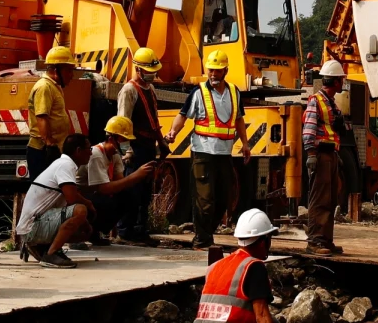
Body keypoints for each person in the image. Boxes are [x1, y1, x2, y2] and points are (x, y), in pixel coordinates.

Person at [187, 209, 306, 323]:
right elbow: (261, 316)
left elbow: (227, 307)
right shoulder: (254, 267)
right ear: (263, 240)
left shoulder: (216, 266)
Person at [166, 49, 250, 250]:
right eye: (211, 70)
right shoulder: (198, 93)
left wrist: (246, 144)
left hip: (224, 154)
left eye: (218, 71)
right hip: (202, 153)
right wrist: (172, 132)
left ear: (225, 71)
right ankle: (202, 240)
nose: (213, 74)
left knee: (223, 199)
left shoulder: (234, 92)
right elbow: (183, 115)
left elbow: (239, 119)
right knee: (204, 199)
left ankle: (206, 235)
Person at [15, 134, 94, 269]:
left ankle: (43, 248)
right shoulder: (65, 165)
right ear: (78, 150)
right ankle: (51, 254)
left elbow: (70, 196)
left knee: (84, 231)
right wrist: (88, 206)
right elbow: (72, 199)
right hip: (32, 227)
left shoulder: (63, 164)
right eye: (89, 149)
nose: (91, 153)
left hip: (34, 224)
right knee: (81, 210)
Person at [75, 116, 157, 246]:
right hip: (80, 197)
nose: (126, 143)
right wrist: (136, 175)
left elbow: (121, 185)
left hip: (95, 196)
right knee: (105, 200)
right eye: (123, 139)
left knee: (129, 197)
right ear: (111, 138)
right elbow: (103, 188)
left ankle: (96, 232)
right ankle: (80, 233)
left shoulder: (115, 156)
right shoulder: (96, 154)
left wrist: (143, 176)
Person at [116, 47, 167, 241]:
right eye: (149, 72)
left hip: (148, 145)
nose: (152, 75)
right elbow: (123, 122)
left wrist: (160, 141)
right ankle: (125, 231)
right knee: (132, 190)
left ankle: (140, 230)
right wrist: (127, 150)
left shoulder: (150, 89)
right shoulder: (129, 91)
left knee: (145, 191)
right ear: (138, 69)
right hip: (135, 147)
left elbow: (153, 119)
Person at [302, 60, 347, 256]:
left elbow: (331, 130)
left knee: (330, 199)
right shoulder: (316, 101)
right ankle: (315, 241)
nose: (343, 82)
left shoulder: (330, 102)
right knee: (319, 199)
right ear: (336, 81)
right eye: (341, 79)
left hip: (330, 154)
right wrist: (311, 154)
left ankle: (325, 240)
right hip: (320, 155)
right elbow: (309, 129)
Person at [27, 44, 77, 183]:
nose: (71, 75)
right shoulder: (45, 87)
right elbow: (42, 117)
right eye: (68, 71)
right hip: (43, 151)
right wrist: (49, 145)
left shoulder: (53, 86)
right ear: (56, 70)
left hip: (52, 149)